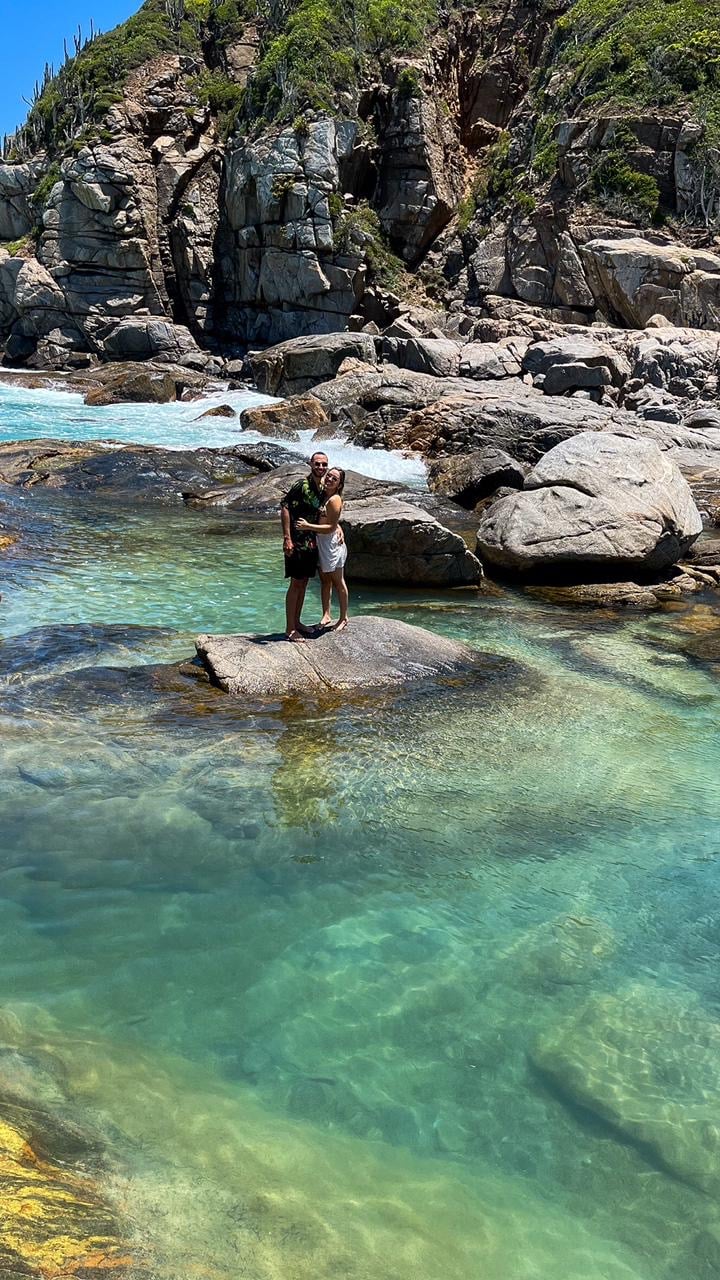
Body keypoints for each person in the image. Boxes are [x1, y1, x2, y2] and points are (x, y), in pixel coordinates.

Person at [280, 451, 329, 642]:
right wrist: (287, 538)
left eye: (324, 464)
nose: (321, 467)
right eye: (317, 464)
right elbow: (285, 507)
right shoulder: (302, 485)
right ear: (310, 464)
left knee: (304, 583)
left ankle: (297, 622)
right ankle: (290, 628)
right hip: (297, 542)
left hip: (311, 542)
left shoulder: (321, 488)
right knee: (295, 583)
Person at [296, 466, 349, 632]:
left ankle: (343, 618)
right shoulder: (322, 494)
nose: (330, 479)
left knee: (338, 581)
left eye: (335, 479)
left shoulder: (335, 499)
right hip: (320, 542)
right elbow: (334, 522)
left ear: (339, 484)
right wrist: (338, 526)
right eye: (329, 476)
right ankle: (326, 614)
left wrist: (307, 526)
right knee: (325, 581)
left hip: (331, 544)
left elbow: (331, 527)